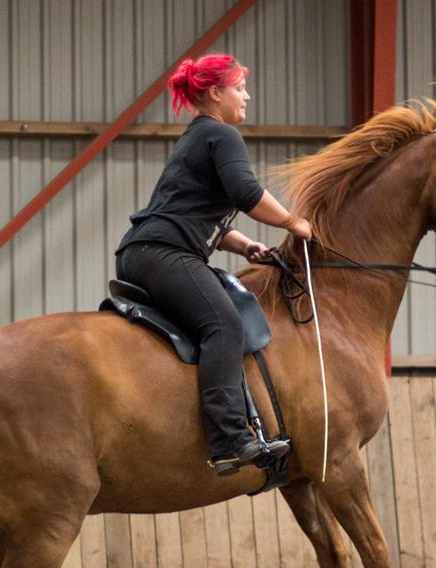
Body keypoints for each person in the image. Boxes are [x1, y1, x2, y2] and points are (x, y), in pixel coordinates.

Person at [115, 53, 312, 476]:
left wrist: (242, 247)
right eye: (239, 87)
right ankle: (228, 441)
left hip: (147, 251)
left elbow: (192, 214)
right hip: (165, 254)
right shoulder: (222, 137)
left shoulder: (196, 137)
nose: (247, 95)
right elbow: (246, 192)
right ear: (214, 93)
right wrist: (294, 222)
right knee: (223, 324)